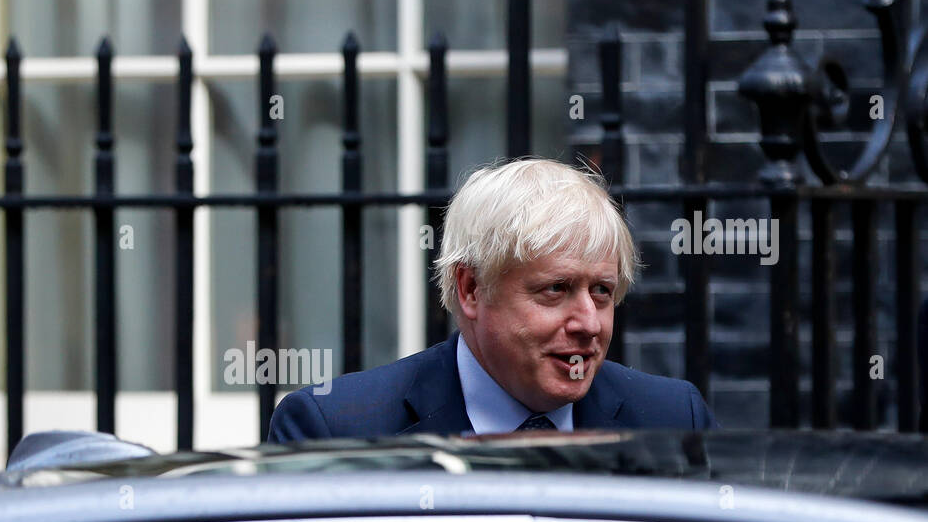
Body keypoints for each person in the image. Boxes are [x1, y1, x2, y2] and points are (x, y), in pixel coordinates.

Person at [268, 157, 716, 442]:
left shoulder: (674, 420)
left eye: (601, 292)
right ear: (470, 290)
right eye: (555, 290)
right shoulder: (336, 430)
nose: (589, 323)